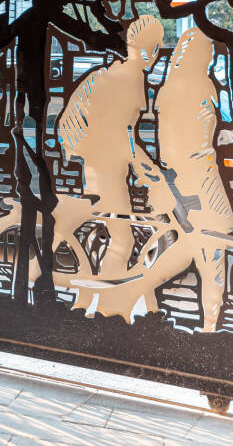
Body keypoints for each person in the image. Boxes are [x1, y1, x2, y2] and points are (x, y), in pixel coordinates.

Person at [55, 15, 165, 278]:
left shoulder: (121, 74)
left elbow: (123, 132)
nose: (156, 54)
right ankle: (108, 293)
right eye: (156, 46)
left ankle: (52, 265)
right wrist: (145, 166)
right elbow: (122, 133)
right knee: (123, 239)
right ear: (150, 48)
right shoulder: (127, 79)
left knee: (80, 226)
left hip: (102, 164)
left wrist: (141, 164)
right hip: (105, 169)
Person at [154, 27, 233, 332]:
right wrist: (225, 139)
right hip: (201, 177)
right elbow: (214, 131)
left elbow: (168, 143)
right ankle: (211, 325)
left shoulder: (166, 89)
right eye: (209, 53)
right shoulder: (204, 86)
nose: (211, 59)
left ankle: (150, 300)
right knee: (213, 254)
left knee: (187, 248)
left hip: (174, 178)